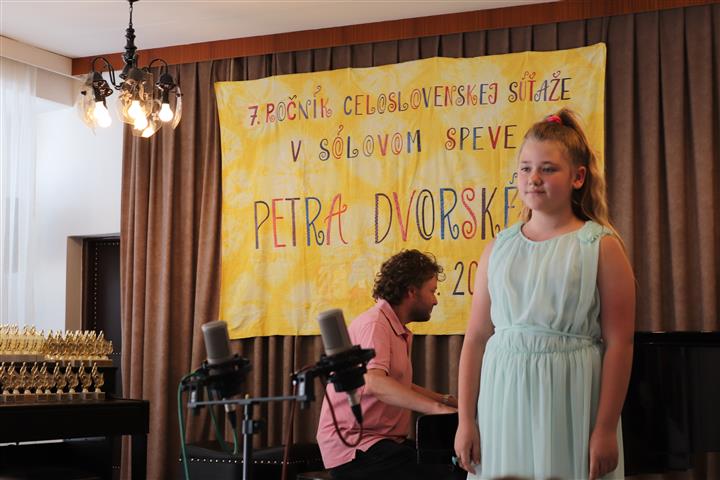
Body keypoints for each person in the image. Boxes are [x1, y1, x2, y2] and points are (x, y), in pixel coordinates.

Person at [454, 109, 636, 480]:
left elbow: (620, 343)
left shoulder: (599, 246)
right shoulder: (499, 247)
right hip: (503, 398)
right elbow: (475, 338)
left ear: (577, 177)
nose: (533, 178)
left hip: (570, 396)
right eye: (525, 168)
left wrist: (604, 428)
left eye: (548, 169)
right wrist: (465, 420)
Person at [317, 249, 459, 480]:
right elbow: (375, 382)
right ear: (411, 291)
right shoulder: (375, 325)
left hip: (382, 443)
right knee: (446, 474)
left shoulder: (396, 328)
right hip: (355, 446)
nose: (435, 300)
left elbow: (396, 385)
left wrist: (446, 401)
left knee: (449, 463)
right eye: (432, 291)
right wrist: (439, 411)